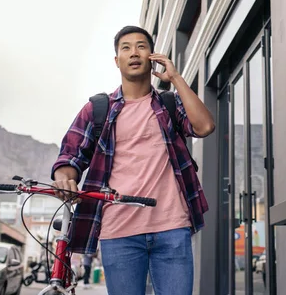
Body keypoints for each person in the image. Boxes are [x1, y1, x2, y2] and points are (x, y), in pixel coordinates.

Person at [51, 26, 214, 295]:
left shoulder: (169, 103)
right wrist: (64, 178)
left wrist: (176, 79)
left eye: (141, 46)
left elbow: (205, 126)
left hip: (172, 227)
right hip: (119, 230)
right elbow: (70, 156)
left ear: (152, 55)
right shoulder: (98, 109)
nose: (134, 52)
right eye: (125, 48)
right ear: (117, 61)